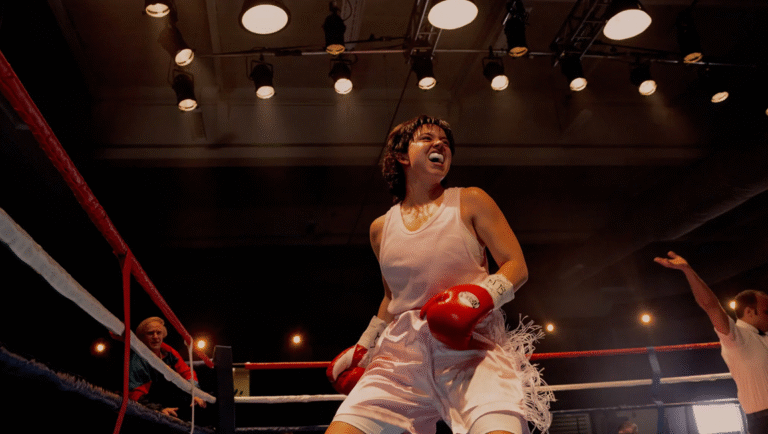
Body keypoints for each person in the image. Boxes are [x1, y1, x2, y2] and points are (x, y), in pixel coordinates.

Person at [325, 115, 552, 434]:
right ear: (402, 156)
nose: (440, 144)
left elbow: (516, 265)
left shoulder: (470, 200)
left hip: (473, 351)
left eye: (445, 142)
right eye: (427, 138)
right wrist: (366, 347)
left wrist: (476, 299)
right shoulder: (380, 228)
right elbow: (392, 297)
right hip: (401, 360)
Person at [654, 251, 768, 434]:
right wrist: (688, 271)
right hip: (763, 420)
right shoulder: (736, 337)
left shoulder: (765, 336)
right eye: (766, 312)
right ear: (749, 312)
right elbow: (711, 306)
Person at [128, 316, 206, 419]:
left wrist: (196, 393)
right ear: (142, 337)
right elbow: (136, 394)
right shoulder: (137, 360)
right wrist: (159, 409)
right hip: (153, 404)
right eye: (150, 333)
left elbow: (187, 372)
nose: (155, 337)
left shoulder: (168, 351)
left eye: (158, 333)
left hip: (170, 399)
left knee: (204, 401)